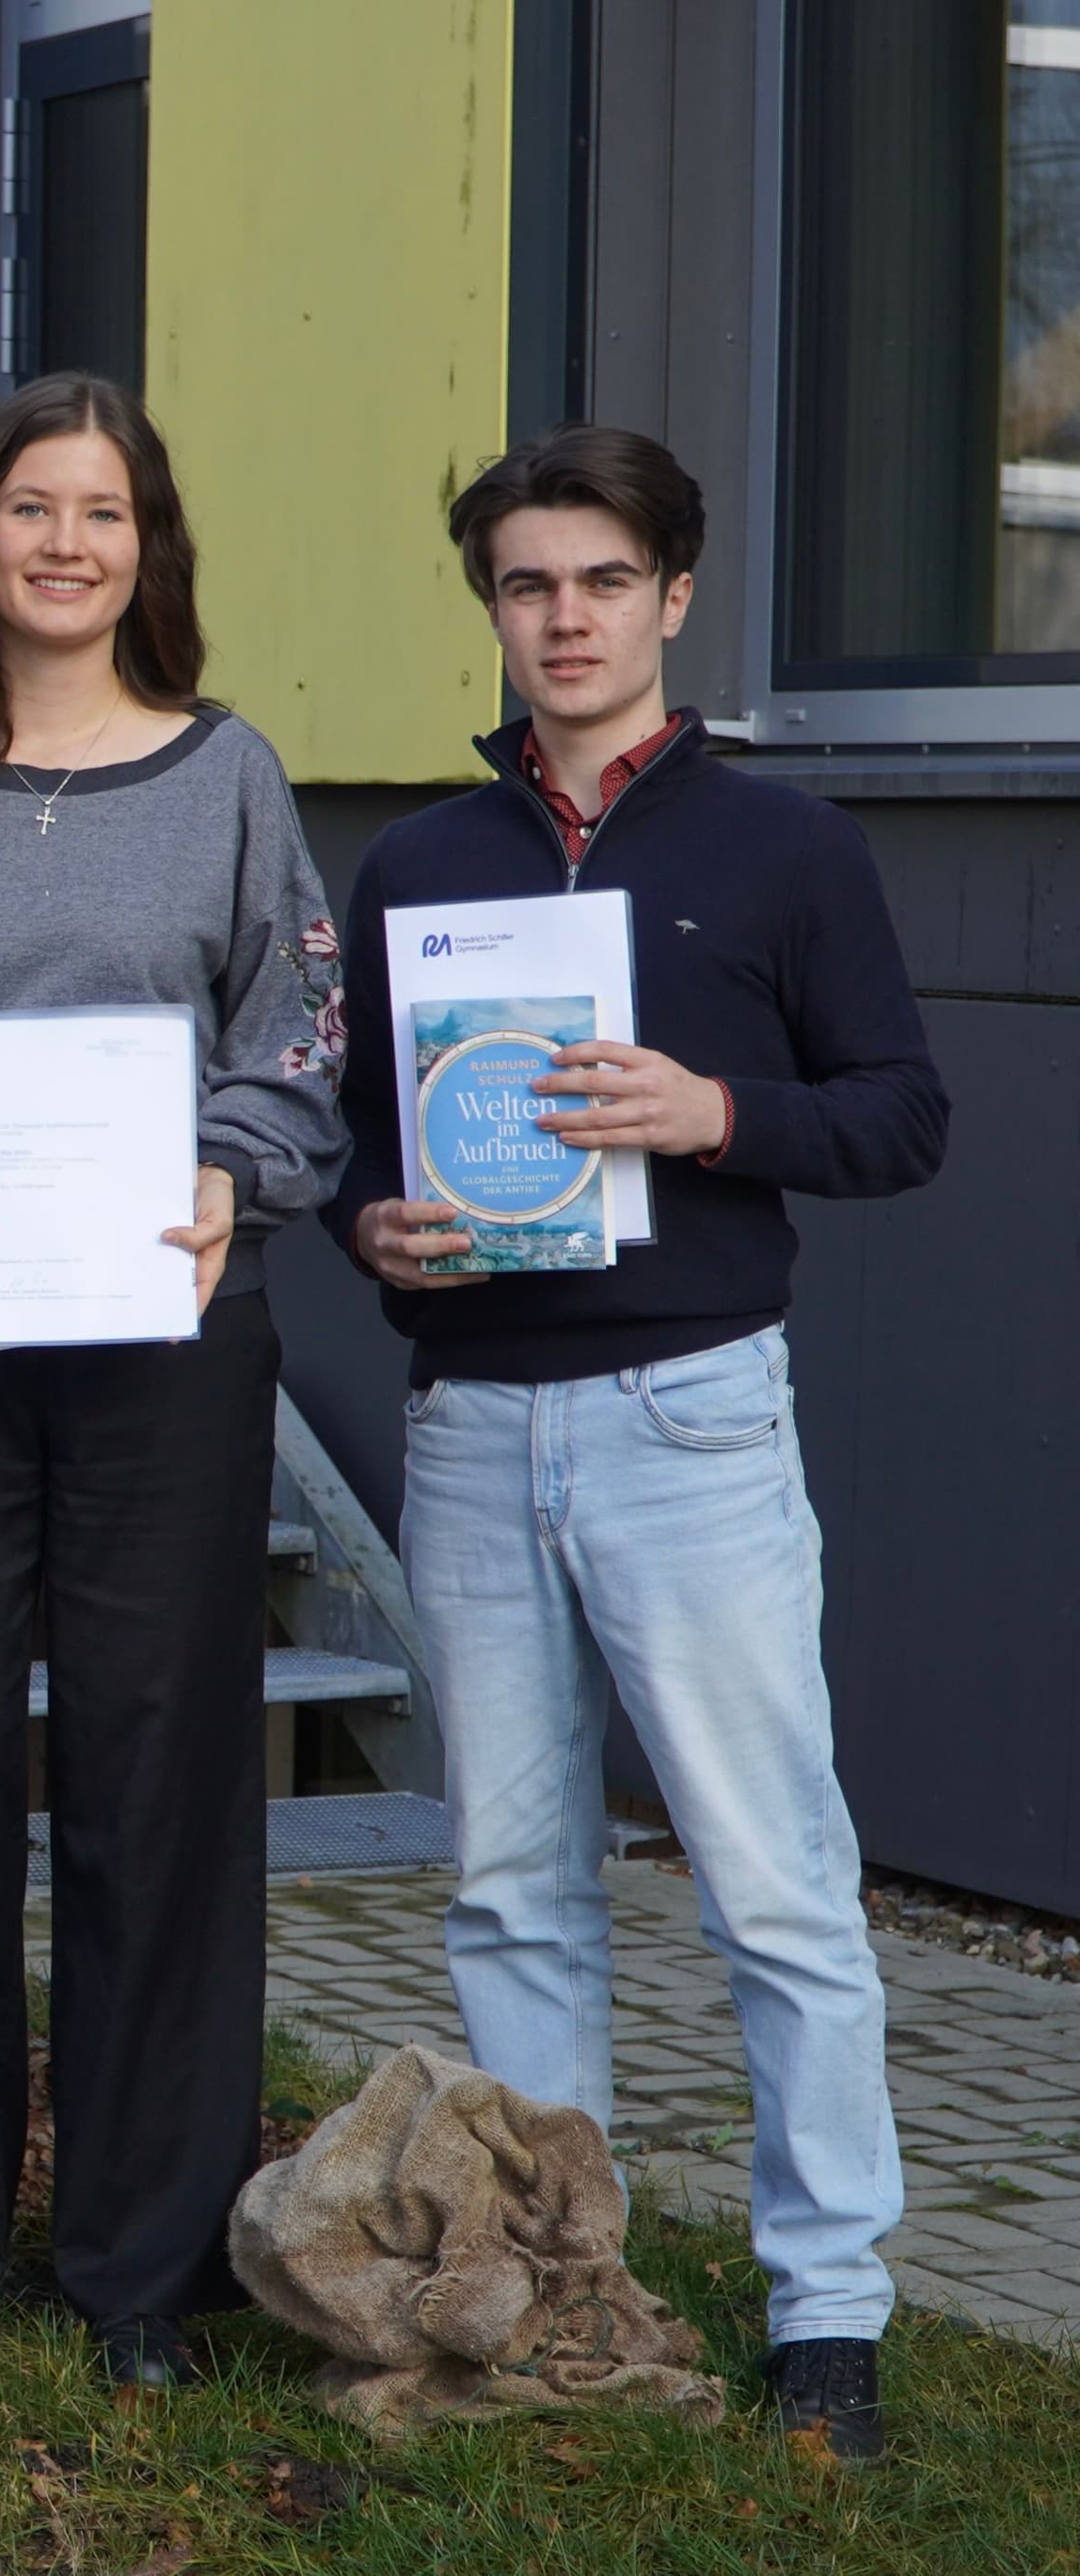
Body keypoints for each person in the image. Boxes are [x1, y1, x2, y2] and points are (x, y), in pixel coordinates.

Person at [322, 424, 946, 2464]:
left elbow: (900, 1118)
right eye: (527, 585)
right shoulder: (418, 866)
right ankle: (558, 2276)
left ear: (675, 598)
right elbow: (357, 1160)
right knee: (509, 1880)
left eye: (601, 581)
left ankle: (828, 2308)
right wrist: (379, 1233)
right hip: (474, 1428)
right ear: (492, 610)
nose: (563, 619)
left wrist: (716, 1116)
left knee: (775, 1882)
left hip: (691, 1413)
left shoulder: (787, 850)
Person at [0, 374, 350, 2392]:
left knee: (157, 1776)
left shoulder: (229, 776)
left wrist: (232, 1176)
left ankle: (143, 2256)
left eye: (106, 512)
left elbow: (300, 1039)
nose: (70, 543)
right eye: (36, 506)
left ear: (146, 549)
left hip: (170, 1335)